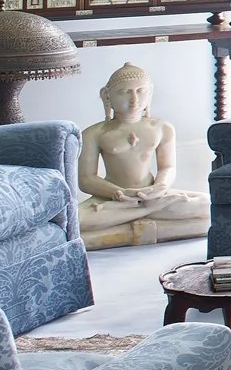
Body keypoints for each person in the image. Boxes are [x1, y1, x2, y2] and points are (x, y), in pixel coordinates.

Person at [75, 62, 208, 249]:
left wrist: (160, 187)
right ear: (107, 96)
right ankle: (151, 220)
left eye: (140, 91)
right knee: (77, 221)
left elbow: (168, 167)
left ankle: (126, 229)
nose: (134, 99)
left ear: (150, 93)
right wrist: (118, 193)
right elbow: (86, 179)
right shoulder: (94, 134)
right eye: (124, 92)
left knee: (207, 205)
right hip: (113, 200)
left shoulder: (162, 128)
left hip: (152, 195)